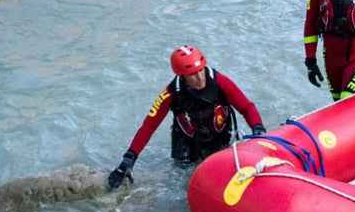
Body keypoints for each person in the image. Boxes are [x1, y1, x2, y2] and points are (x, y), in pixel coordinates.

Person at [108, 45, 265, 189]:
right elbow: (149, 126)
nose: (200, 77)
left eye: (201, 70)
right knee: (182, 181)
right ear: (182, 76)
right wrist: (128, 160)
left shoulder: (221, 82)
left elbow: (246, 107)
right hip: (187, 146)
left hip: (219, 139)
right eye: (193, 74)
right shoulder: (169, 94)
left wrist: (258, 129)